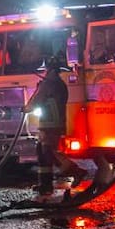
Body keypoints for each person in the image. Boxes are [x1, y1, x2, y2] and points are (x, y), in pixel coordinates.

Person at [26, 55, 85, 194]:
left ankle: (76, 171)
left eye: (46, 70)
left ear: (49, 69)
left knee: (49, 152)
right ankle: (45, 184)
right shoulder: (58, 83)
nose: (44, 72)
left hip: (49, 123)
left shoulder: (49, 83)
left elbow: (38, 100)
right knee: (42, 151)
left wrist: (27, 108)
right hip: (53, 122)